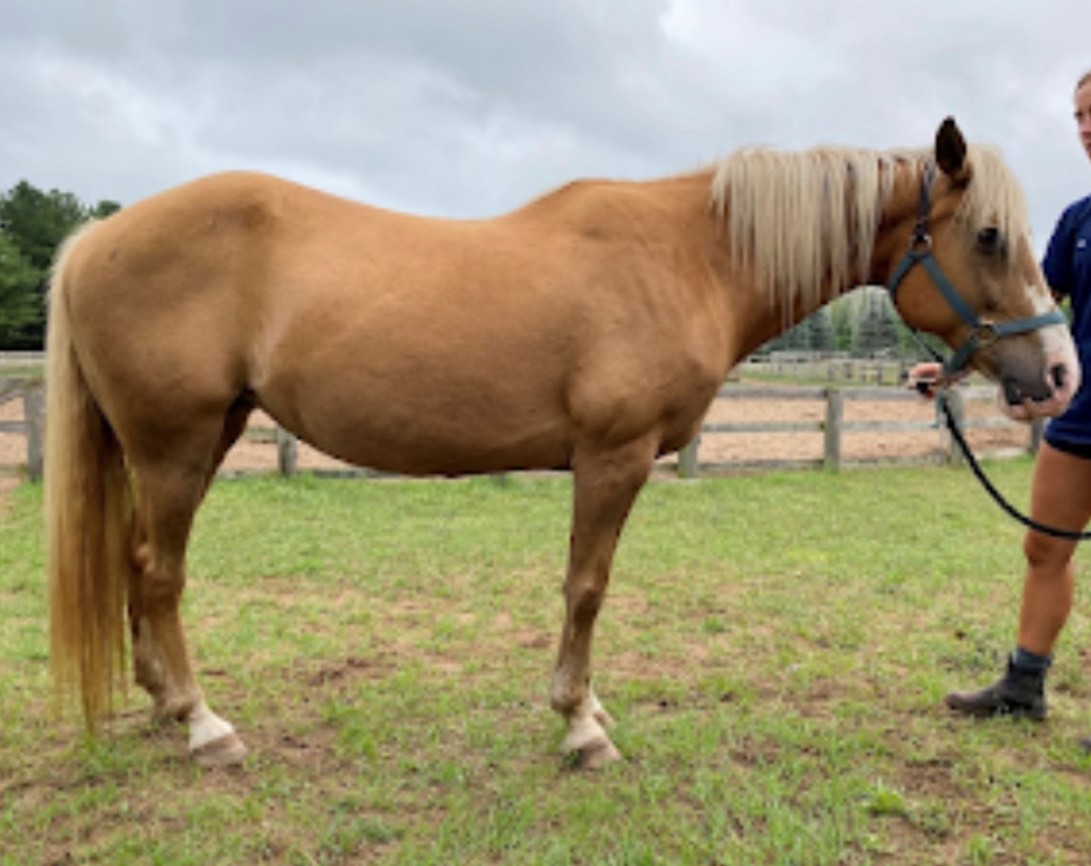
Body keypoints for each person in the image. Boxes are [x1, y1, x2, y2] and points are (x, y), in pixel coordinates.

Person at [912, 70, 1091, 749]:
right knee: (1044, 546)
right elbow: (1026, 314)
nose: (1083, 127)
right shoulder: (1077, 219)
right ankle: (1023, 685)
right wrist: (952, 367)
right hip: (1078, 417)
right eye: (1076, 115)